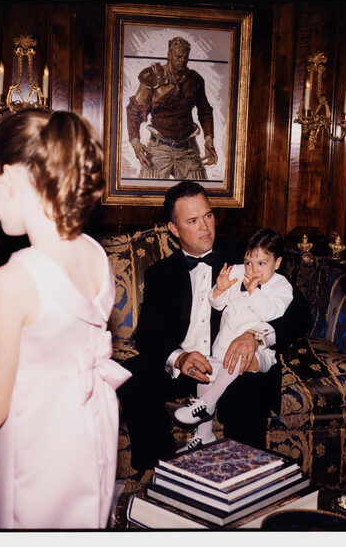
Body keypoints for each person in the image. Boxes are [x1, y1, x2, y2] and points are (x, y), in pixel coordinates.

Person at [0, 110, 130, 529]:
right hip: (86, 433)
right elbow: (55, 341)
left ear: (8, 178)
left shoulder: (13, 278)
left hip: (35, 448)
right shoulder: (96, 256)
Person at [116, 181, 312, 471]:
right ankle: (159, 471)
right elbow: (147, 334)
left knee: (247, 391)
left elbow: (300, 312)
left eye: (207, 215)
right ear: (174, 228)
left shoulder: (246, 256)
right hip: (190, 366)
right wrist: (179, 358)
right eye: (193, 220)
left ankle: (245, 477)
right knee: (132, 378)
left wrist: (255, 336)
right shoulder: (161, 274)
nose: (205, 226)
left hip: (235, 362)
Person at [172, 228, 293, 451]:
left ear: (277, 263)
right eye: (249, 262)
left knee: (239, 358)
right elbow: (217, 304)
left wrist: (253, 291)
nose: (253, 270)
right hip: (223, 348)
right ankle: (204, 435)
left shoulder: (281, 285)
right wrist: (219, 289)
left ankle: (207, 404)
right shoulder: (238, 271)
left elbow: (271, 314)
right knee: (205, 374)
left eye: (261, 264)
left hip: (258, 353)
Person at [125, 36, 217, 180]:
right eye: (178, 56)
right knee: (149, 197)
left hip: (188, 148)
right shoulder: (152, 76)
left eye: (185, 57)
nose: (182, 60)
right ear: (169, 55)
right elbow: (134, 111)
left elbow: (205, 110)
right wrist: (135, 142)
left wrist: (209, 139)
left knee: (197, 195)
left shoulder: (195, 80)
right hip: (159, 148)